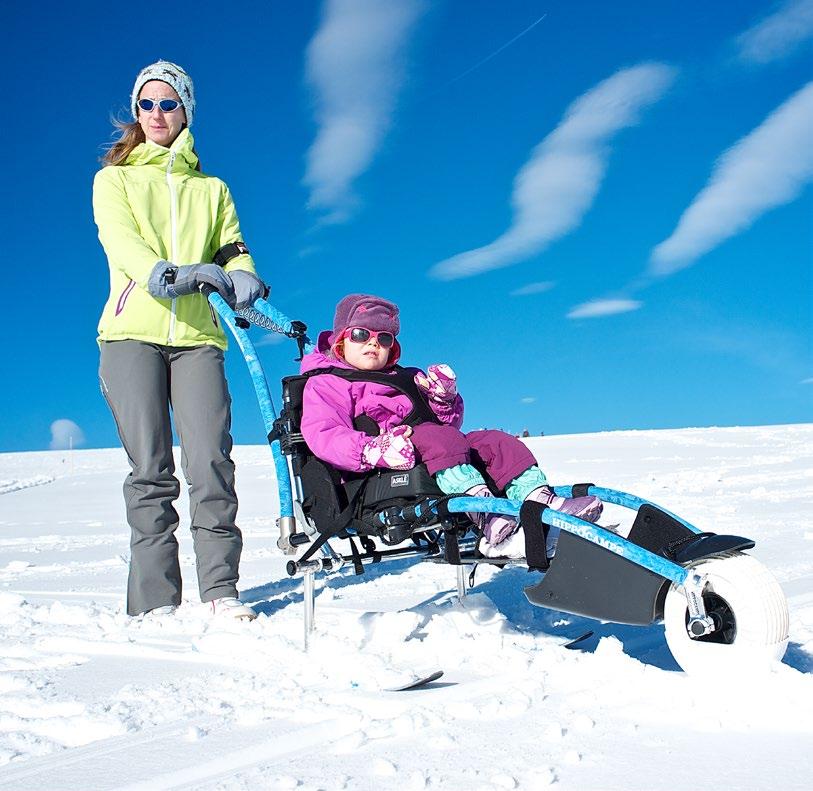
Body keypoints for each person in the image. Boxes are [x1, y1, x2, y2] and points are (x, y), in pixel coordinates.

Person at [93, 60, 265, 619]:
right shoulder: (113, 179)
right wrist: (172, 273)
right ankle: (154, 604)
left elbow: (231, 246)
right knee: (150, 469)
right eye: (147, 104)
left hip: (198, 337)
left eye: (169, 103)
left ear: (186, 110)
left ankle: (220, 591)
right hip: (131, 335)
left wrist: (243, 273)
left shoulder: (211, 189)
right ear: (136, 112)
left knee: (211, 461)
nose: (157, 114)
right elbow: (123, 244)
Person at [299, 294, 603, 559]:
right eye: (361, 334)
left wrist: (443, 401)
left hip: (432, 451)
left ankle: (541, 501)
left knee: (493, 440)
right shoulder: (327, 383)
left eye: (384, 338)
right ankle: (485, 511)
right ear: (340, 339)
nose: (373, 343)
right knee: (438, 438)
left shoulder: (406, 377)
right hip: (379, 470)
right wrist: (371, 450)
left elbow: (448, 428)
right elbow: (324, 434)